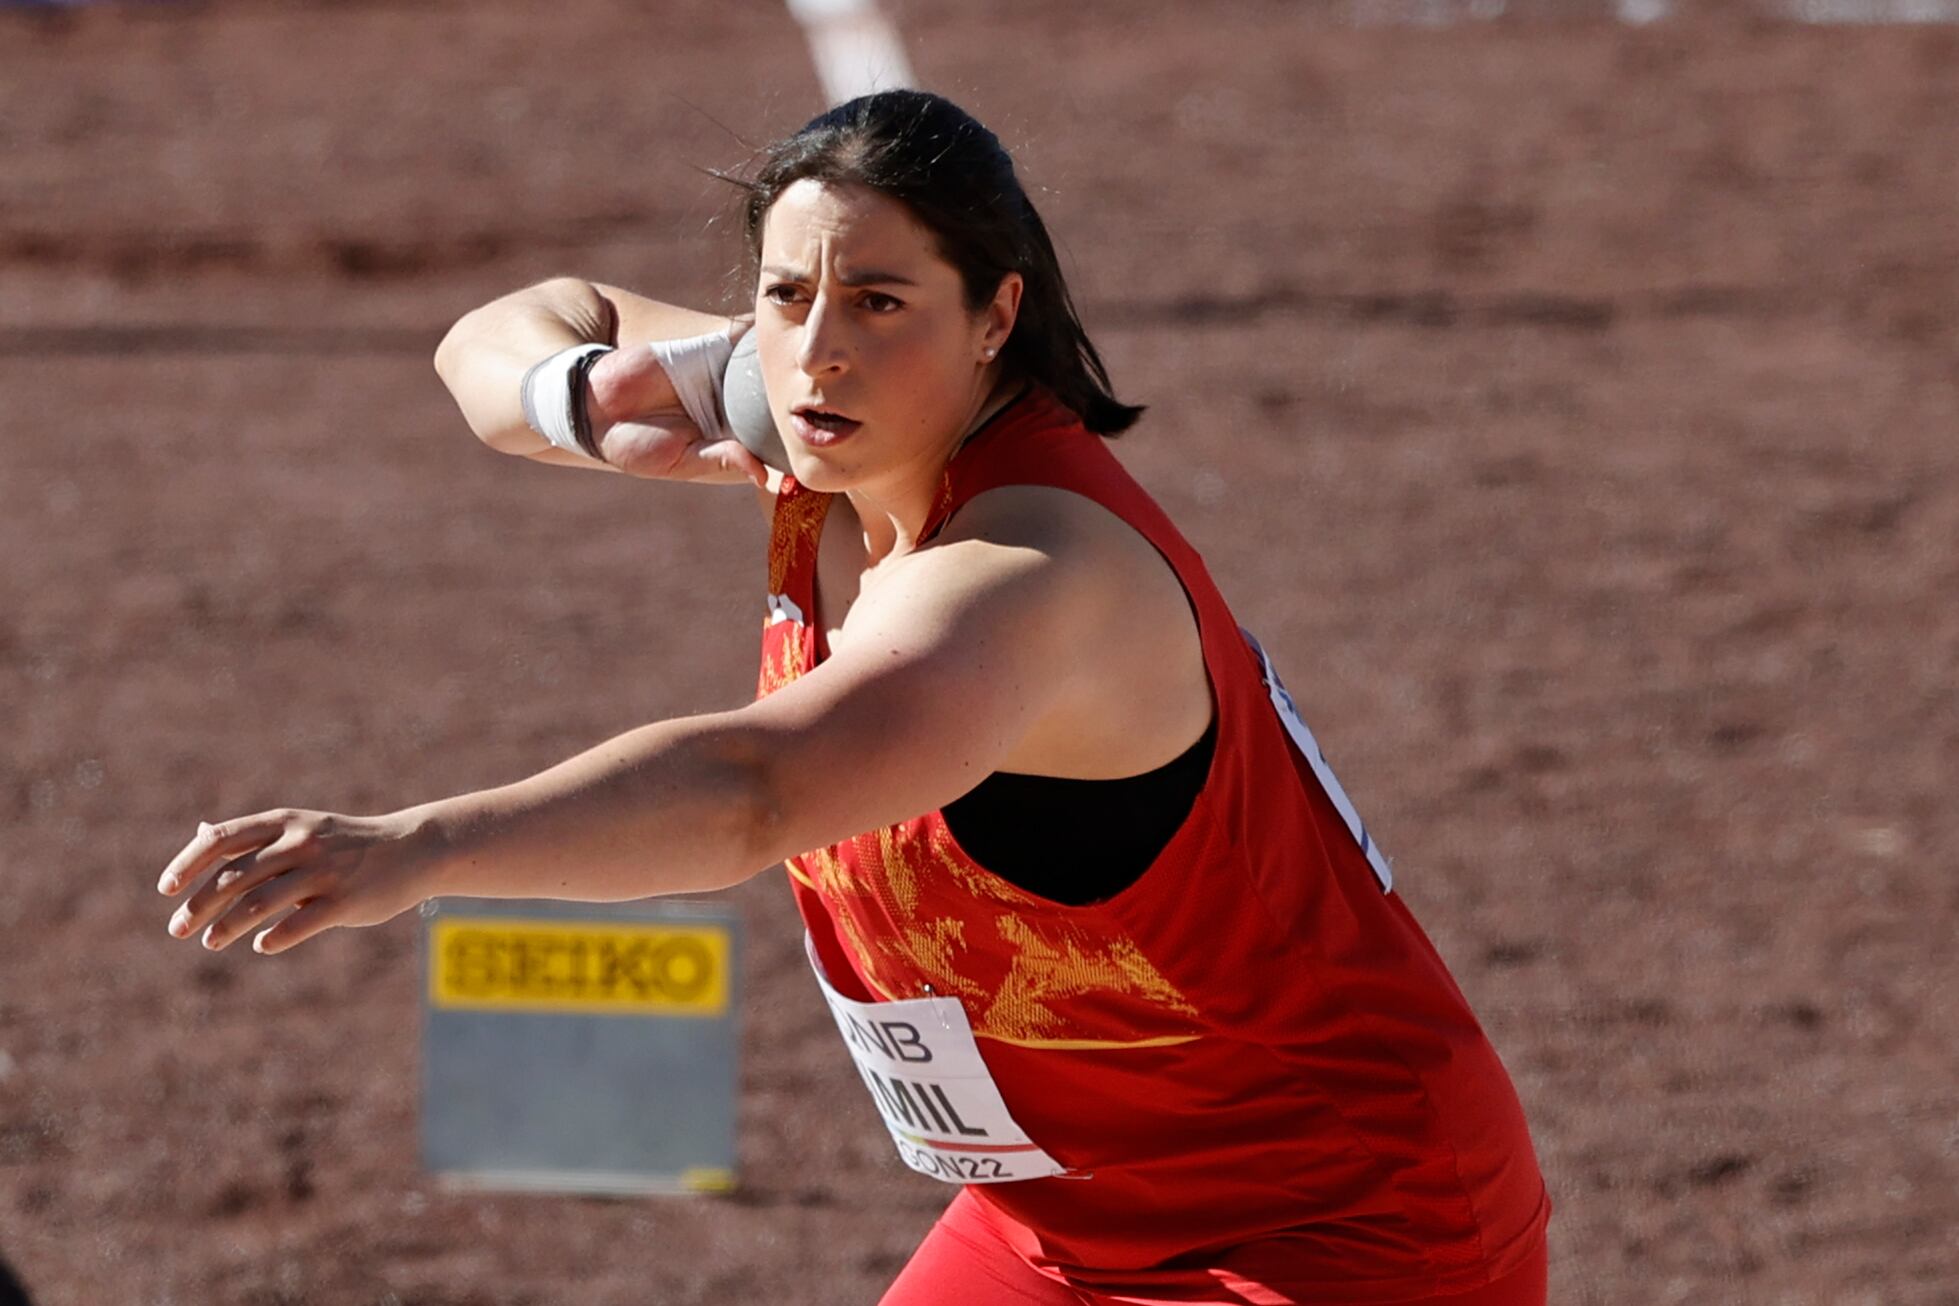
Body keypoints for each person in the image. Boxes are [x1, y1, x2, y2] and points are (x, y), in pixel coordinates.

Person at [157, 90, 1551, 1305]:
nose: (818, 350)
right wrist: (594, 395)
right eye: (784, 295)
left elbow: (755, 792)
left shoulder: (1027, 575)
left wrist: (420, 847)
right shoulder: (813, 413)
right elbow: (515, 333)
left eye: (879, 303)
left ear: (998, 315)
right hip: (1069, 1214)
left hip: (1341, 1227)